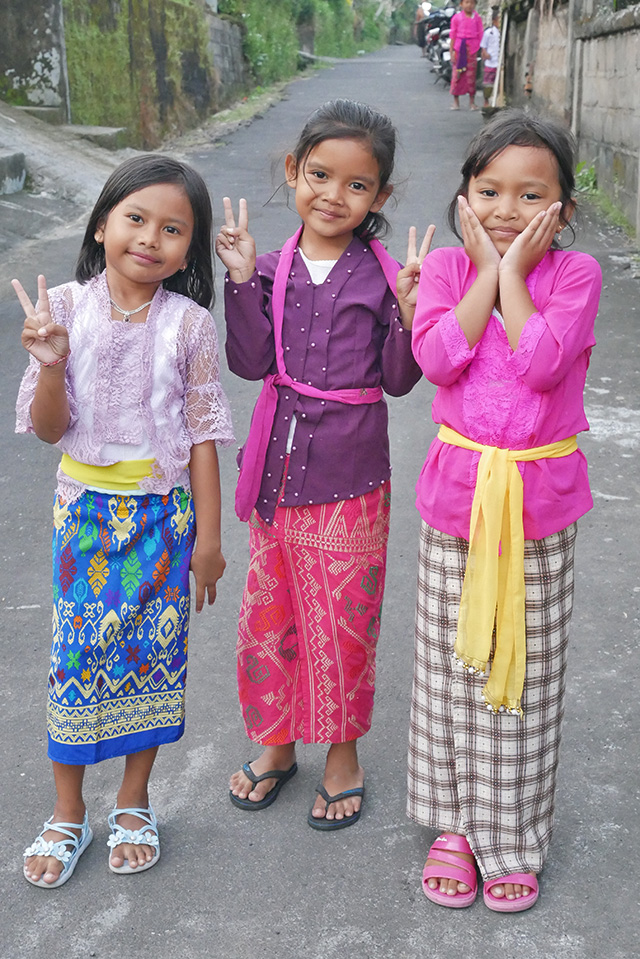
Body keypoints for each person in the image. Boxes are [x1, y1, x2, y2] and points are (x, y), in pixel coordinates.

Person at [15, 154, 234, 887]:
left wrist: (209, 538)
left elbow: (203, 434)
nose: (150, 238)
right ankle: (69, 811)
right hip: (83, 517)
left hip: (164, 518)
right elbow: (50, 430)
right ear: (103, 223)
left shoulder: (191, 324)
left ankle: (134, 799)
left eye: (173, 229)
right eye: (136, 218)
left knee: (153, 657)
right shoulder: (67, 308)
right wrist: (51, 362)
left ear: (188, 247)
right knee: (76, 657)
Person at [216, 99, 435, 830]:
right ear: (293, 171)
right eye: (319, 175)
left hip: (351, 477)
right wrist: (243, 281)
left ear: (380, 195)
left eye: (357, 184)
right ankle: (276, 744)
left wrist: (409, 311)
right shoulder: (272, 268)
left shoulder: (379, 275)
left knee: (343, 622)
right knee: (269, 615)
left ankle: (342, 753)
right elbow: (250, 363)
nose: (333, 196)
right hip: (276, 474)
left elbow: (400, 380)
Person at [407, 111, 602, 911]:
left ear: (564, 206)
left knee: (524, 670)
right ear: (464, 195)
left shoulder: (578, 276)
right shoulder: (450, 268)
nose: (507, 210)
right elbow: (437, 357)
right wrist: (485, 273)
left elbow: (544, 364)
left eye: (531, 194)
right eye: (489, 191)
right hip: (456, 496)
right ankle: (455, 824)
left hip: (537, 504)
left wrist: (514, 278)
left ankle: (513, 835)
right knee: (453, 668)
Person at [449, 0, 484, 111]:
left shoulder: (477, 18)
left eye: (472, 3)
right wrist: (451, 51)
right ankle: (456, 102)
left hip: (472, 50)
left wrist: (482, 49)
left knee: (471, 76)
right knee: (457, 75)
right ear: (461, 4)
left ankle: (472, 102)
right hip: (459, 49)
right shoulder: (456, 18)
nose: (469, 5)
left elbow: (480, 34)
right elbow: (453, 35)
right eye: (467, 2)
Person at [480, 7, 501, 107]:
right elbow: (483, 46)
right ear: (494, 20)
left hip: (499, 62)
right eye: (498, 20)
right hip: (490, 62)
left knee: (498, 82)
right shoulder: (489, 32)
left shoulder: (502, 33)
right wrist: (485, 53)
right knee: (488, 83)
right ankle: (486, 101)